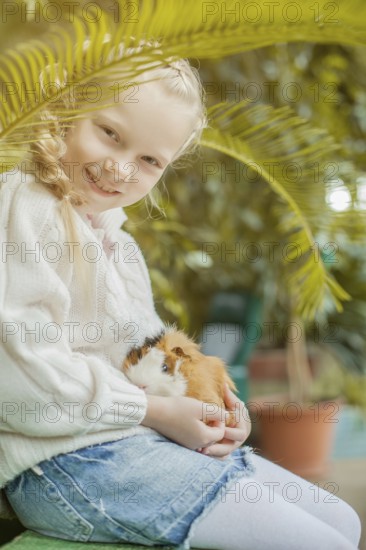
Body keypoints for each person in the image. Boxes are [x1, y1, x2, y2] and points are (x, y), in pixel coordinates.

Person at [0, 44, 361, 549]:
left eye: (148, 160)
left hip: (130, 441)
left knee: (343, 523)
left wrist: (212, 405)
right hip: (67, 465)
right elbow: (18, 376)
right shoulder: (26, 206)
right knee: (322, 542)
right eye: (109, 133)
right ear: (66, 108)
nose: (121, 170)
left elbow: (149, 357)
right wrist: (155, 413)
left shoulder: (118, 244)